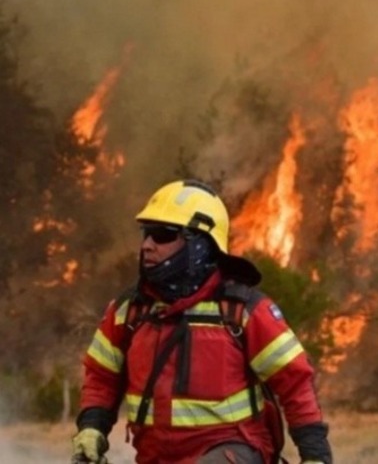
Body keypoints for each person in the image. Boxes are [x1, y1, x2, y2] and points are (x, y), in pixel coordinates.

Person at [71, 179, 332, 464]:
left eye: (162, 235)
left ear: (200, 245)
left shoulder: (242, 311)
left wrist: (315, 455)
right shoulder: (129, 312)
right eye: (146, 234)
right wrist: (92, 427)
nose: (147, 245)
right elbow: (101, 377)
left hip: (233, 451)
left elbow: (295, 382)